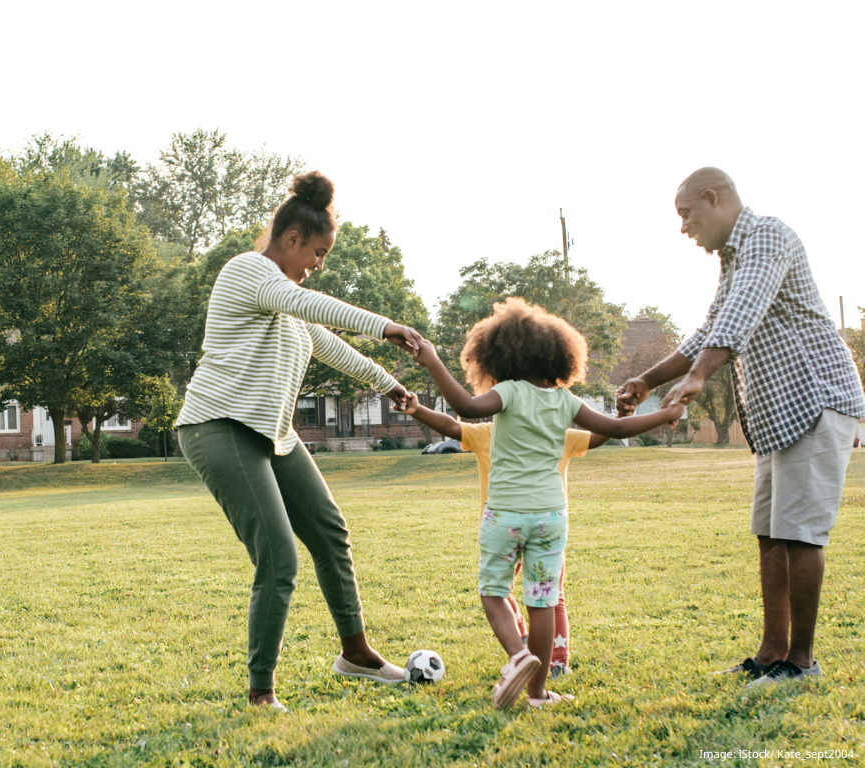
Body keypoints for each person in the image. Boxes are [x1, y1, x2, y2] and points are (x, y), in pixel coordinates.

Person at [176, 171, 424, 710]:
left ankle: (356, 654)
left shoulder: (285, 302)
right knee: (279, 557)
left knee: (330, 530)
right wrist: (387, 326)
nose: (318, 264)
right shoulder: (248, 273)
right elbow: (321, 309)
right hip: (218, 426)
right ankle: (261, 692)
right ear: (291, 240)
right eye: (318, 252)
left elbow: (330, 343)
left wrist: (391, 384)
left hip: (272, 433)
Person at [617, 168, 865, 687]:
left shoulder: (768, 236)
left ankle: (801, 663)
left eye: (687, 214)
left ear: (714, 199)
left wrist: (700, 376)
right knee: (770, 535)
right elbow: (709, 327)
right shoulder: (733, 259)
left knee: (800, 536)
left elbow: (740, 317)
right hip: (778, 415)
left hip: (815, 398)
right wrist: (645, 379)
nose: (684, 228)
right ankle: (772, 652)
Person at [412, 299, 684, 708]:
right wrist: (665, 415)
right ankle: (538, 693)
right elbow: (614, 427)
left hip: (505, 513)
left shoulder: (508, 392)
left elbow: (465, 410)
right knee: (542, 599)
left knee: (493, 592)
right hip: (551, 516)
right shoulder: (566, 401)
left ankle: (519, 656)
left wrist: (432, 360)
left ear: (499, 356)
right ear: (557, 356)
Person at [403, 394, 621, 677]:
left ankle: (531, 650)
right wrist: (620, 414)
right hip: (545, 528)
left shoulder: (489, 434)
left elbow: (451, 426)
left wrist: (417, 409)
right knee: (550, 597)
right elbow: (599, 436)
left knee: (497, 591)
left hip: (502, 528)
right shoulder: (553, 435)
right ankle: (553, 661)